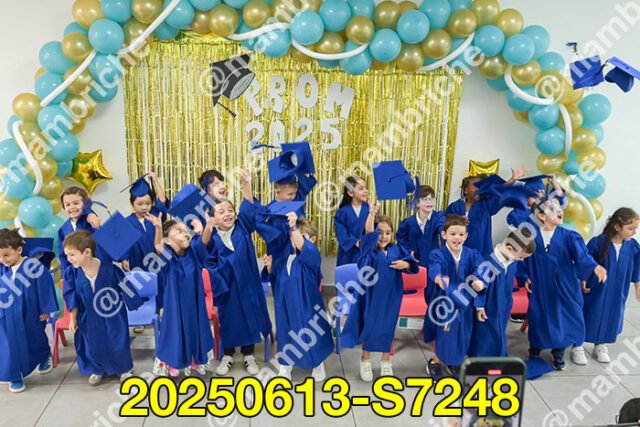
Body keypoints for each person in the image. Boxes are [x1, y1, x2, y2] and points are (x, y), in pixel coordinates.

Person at [518, 198, 607, 369]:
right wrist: (525, 276)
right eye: (553, 209)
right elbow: (522, 259)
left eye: (560, 208)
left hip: (564, 285)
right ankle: (535, 348)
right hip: (540, 284)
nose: (560, 211)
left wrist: (595, 267)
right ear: (541, 216)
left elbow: (582, 256)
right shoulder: (530, 236)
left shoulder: (569, 236)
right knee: (539, 315)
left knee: (562, 317)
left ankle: (558, 352)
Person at [205, 171, 272, 377]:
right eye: (221, 211)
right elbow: (209, 263)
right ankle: (227, 355)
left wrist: (246, 185)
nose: (228, 214)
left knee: (249, 316)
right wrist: (221, 282)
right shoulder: (212, 238)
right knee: (229, 319)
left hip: (248, 284)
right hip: (227, 288)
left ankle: (249, 354)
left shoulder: (242, 227)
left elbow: (249, 209)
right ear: (213, 218)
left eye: (230, 210)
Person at [341, 204, 418, 381]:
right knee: (370, 326)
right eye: (380, 232)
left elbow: (410, 263)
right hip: (371, 295)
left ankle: (386, 360)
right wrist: (372, 214)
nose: (383, 237)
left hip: (391, 295)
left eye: (388, 233)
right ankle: (365, 360)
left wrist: (406, 264)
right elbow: (369, 233)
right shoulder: (369, 250)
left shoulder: (397, 249)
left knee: (388, 327)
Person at [62, 230, 143, 385]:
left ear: (87, 252)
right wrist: (73, 319)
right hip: (88, 315)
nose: (69, 259)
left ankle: (125, 369)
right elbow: (71, 297)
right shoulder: (71, 273)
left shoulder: (110, 269)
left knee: (117, 341)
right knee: (93, 343)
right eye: (67, 255)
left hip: (113, 314)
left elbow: (125, 287)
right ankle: (98, 368)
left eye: (72, 255)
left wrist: (134, 303)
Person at [263, 216, 333, 381]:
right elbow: (276, 279)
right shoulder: (285, 258)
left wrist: (293, 226)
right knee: (286, 332)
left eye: (301, 236)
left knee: (311, 333)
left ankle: (317, 363)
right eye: (292, 235)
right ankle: (286, 365)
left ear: (312, 240)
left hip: (307, 304)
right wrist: (270, 267)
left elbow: (303, 246)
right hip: (285, 304)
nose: (294, 238)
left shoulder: (311, 256)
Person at [148, 210, 215, 377]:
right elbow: (158, 247)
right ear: (168, 240)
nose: (185, 234)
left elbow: (204, 241)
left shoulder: (194, 252)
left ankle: (194, 361)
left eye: (185, 231)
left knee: (194, 331)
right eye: (178, 231)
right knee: (176, 333)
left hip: (194, 304)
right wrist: (158, 228)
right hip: (175, 306)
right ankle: (174, 363)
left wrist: (208, 225)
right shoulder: (167, 259)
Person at [423, 214, 485, 378]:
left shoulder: (472, 254)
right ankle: (436, 362)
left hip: (464, 303)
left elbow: (480, 270)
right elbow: (434, 269)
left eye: (460, 234)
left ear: (466, 236)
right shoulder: (438, 254)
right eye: (452, 234)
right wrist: (439, 278)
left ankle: (454, 362)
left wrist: (479, 280)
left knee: (462, 334)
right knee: (444, 335)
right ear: (444, 235)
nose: (457, 238)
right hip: (444, 301)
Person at [0, 230, 58, 393]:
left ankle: (44, 355)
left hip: (30, 312)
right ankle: (15, 375)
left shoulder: (33, 266)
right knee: (8, 344)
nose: (3, 260)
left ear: (19, 250)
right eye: (0, 256)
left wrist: (46, 309)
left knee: (34, 338)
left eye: (6, 255)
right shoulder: (3, 269)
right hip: (6, 314)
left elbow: (44, 287)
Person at [582, 207, 639, 363]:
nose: (634, 232)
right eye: (630, 228)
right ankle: (577, 345)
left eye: (635, 229)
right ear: (617, 227)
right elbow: (585, 261)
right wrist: (583, 279)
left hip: (618, 290)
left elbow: (637, 265)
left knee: (612, 315)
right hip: (597, 289)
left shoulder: (632, 246)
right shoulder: (598, 243)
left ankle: (600, 345)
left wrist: (637, 284)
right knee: (590, 313)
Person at [469, 229, 536, 357]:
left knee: (499, 331)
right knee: (485, 334)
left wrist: (525, 278)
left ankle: (499, 356)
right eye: (521, 257)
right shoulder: (488, 262)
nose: (521, 260)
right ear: (510, 248)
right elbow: (479, 286)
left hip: (504, 303)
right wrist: (479, 306)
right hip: (489, 306)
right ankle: (481, 358)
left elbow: (517, 272)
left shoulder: (512, 261)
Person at [446, 168, 525, 256]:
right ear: (466, 190)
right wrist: (456, 220)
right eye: (476, 185)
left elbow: (500, 193)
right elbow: (444, 224)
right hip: (457, 252)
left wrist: (513, 179)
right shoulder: (454, 207)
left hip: (481, 253)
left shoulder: (486, 205)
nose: (479, 188)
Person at [124, 172, 170, 272]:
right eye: (139, 204)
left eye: (148, 203)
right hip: (138, 266)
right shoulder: (127, 222)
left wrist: (155, 180)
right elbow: (124, 245)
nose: (144, 207)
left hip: (160, 263)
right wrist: (124, 260)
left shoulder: (155, 214)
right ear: (132, 204)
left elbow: (162, 200)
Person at [397, 184, 445, 266]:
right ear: (417, 203)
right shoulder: (408, 222)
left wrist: (443, 233)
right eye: (425, 199)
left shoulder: (439, 217)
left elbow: (442, 228)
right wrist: (408, 252)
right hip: (415, 264)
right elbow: (401, 239)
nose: (429, 202)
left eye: (432, 199)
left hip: (434, 264)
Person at [57, 187, 101, 275]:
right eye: (67, 205)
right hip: (76, 274)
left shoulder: (90, 221)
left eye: (76, 203)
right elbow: (63, 256)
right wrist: (65, 275)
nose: (72, 207)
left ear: (85, 204)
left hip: (97, 270)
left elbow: (102, 244)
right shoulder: (63, 229)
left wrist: (89, 213)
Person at [334, 176, 370, 267]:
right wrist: (355, 242)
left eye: (366, 188)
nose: (365, 191)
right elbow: (341, 232)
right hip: (348, 253)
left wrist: (367, 241)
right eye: (361, 188)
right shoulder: (342, 212)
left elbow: (376, 228)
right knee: (348, 273)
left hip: (365, 251)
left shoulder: (370, 209)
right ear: (350, 193)